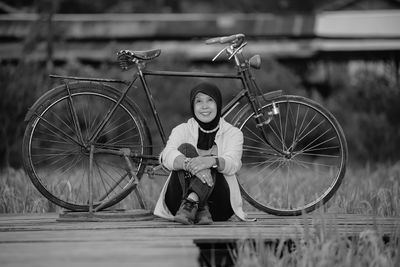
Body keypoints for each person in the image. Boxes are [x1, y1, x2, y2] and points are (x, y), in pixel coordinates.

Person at [154, 82, 250, 225]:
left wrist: (211, 162)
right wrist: (190, 164)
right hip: (179, 204)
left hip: (219, 206)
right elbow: (166, 156)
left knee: (212, 161)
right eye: (199, 101)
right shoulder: (182, 129)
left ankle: (193, 199)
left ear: (218, 103)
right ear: (193, 106)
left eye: (210, 100)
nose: (204, 106)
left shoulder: (233, 133)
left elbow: (233, 163)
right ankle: (201, 209)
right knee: (185, 149)